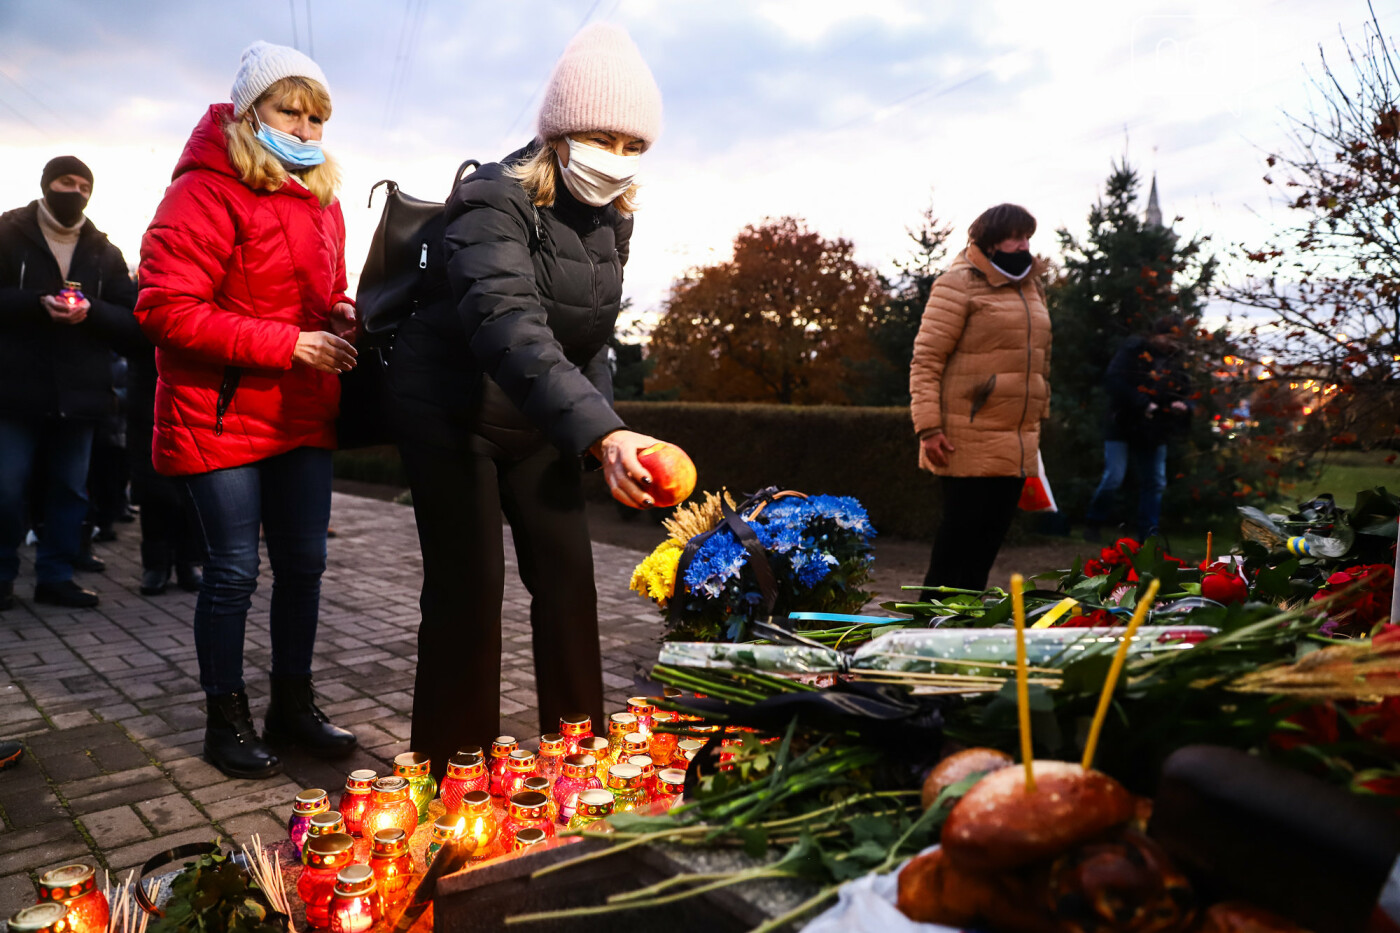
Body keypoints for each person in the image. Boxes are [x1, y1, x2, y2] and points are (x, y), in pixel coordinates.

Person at [391, 23, 672, 775]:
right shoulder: (492, 196)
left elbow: (590, 340)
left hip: (537, 412)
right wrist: (602, 432)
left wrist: (598, 435)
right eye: (600, 135)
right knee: (470, 589)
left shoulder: (614, 219)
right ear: (558, 129)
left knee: (569, 577)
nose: (616, 157)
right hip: (450, 407)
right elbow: (504, 321)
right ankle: (458, 777)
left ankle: (578, 757)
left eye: (633, 143)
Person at [135, 41, 358, 779]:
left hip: (300, 410)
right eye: (287, 109)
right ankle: (223, 718)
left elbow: (324, 292)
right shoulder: (202, 190)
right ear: (248, 110)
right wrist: (287, 344)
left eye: (315, 116)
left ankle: (291, 705)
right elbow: (164, 308)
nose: (301, 127)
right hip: (219, 410)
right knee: (232, 570)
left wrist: (343, 314)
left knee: (306, 563)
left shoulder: (322, 197)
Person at [0, 156, 141, 611]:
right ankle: (1, 576)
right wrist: (36, 304)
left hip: (80, 393)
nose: (76, 191)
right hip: (14, 390)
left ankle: (55, 576)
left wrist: (91, 311)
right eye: (66, 182)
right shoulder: (8, 233)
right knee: (6, 487)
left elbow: (132, 319)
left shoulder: (105, 251)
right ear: (46, 185)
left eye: (84, 185)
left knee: (69, 489)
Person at [910, 203, 1052, 592]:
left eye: (1028, 237)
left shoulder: (1031, 287)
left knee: (984, 553)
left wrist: (1039, 414)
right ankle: (928, 632)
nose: (1024, 246)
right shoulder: (957, 284)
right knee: (954, 549)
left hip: (1016, 436)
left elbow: (1038, 359)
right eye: (1015, 237)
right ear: (989, 243)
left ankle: (964, 631)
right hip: (963, 436)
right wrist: (928, 428)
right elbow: (926, 360)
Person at [1084, 315, 1194, 542]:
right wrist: (1142, 402)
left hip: (1154, 430)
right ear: (1157, 334)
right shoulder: (1133, 350)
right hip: (1122, 423)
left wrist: (1183, 406)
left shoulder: (1176, 360)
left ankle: (1148, 534)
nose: (1172, 343)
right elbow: (1114, 381)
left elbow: (1187, 391)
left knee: (1154, 482)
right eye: (1169, 337)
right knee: (1114, 476)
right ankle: (1094, 522)